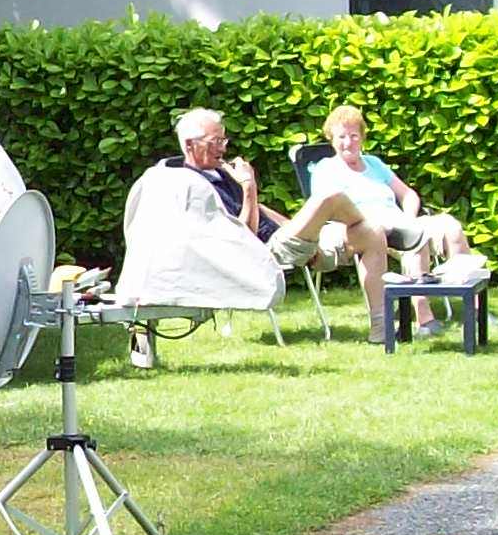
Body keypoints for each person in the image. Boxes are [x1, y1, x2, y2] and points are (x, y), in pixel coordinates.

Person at [129, 108, 391, 367]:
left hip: (283, 238)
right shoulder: (193, 186)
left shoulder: (220, 172)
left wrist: (299, 228)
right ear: (190, 145)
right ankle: (328, 247)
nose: (222, 148)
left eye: (223, 140)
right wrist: (248, 186)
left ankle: (380, 327)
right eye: (215, 141)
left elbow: (260, 210)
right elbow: (243, 236)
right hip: (260, 251)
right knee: (330, 197)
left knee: (373, 232)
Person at [305, 104, 470, 331]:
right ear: (331, 139)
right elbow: (327, 209)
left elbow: (408, 194)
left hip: (400, 220)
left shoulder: (374, 163)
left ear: (362, 138)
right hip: (366, 229)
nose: (348, 142)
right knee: (415, 240)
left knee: (451, 227)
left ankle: (475, 308)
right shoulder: (326, 169)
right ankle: (425, 318)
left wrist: (409, 217)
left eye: (354, 136)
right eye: (341, 136)